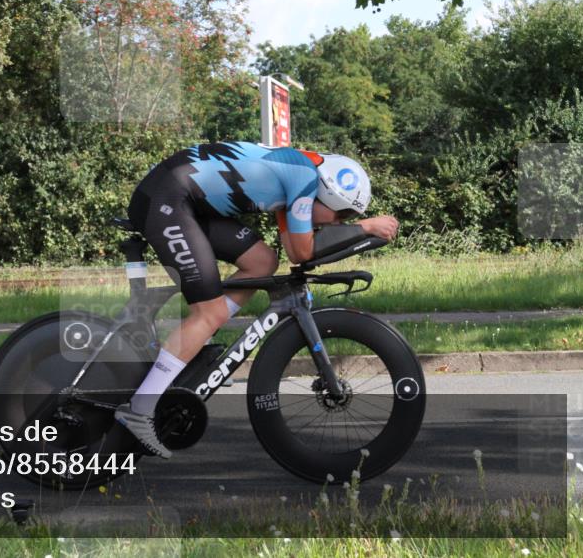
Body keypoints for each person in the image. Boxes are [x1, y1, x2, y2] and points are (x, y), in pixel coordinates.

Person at [113, 141, 400, 458]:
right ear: (327, 192)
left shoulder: (299, 175)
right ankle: (140, 409)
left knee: (262, 263)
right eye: (341, 213)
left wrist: (355, 232)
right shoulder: (303, 177)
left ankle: (198, 334)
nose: (337, 222)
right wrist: (365, 227)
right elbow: (304, 251)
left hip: (184, 200)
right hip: (167, 199)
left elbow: (293, 253)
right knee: (207, 314)